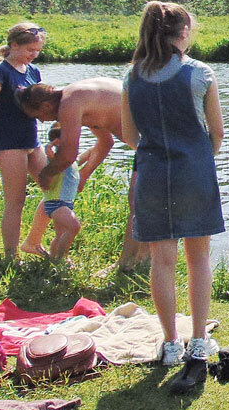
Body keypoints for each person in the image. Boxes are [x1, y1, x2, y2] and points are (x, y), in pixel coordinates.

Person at [121, 1, 225, 394]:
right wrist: (196, 157)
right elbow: (217, 133)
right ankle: (199, 340)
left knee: (161, 262)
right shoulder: (200, 73)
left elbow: (131, 138)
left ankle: (169, 345)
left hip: (151, 173)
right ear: (183, 33)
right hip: (193, 171)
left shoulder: (132, 76)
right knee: (198, 259)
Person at [15, 78, 149, 270]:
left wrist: (45, 175)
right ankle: (138, 262)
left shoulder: (69, 103)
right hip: (148, 144)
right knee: (140, 202)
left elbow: (69, 154)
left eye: (37, 116)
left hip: (156, 141)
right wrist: (84, 174)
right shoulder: (80, 97)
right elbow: (106, 142)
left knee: (138, 202)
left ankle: (129, 264)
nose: (42, 121)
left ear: (45, 105)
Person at [0, 22, 48, 259]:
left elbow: (38, 106)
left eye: (37, 51)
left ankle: (33, 242)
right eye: (30, 50)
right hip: (8, 144)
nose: (33, 55)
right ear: (14, 45)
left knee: (54, 190)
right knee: (16, 200)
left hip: (32, 141)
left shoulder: (33, 72)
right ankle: (11, 256)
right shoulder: (0, 72)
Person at [41, 125, 98, 261]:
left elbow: (91, 152)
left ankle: (53, 258)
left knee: (61, 234)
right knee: (74, 227)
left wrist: (100, 132)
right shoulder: (56, 159)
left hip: (64, 203)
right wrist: (49, 147)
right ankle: (61, 259)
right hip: (56, 203)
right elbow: (50, 159)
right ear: (58, 142)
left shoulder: (71, 160)